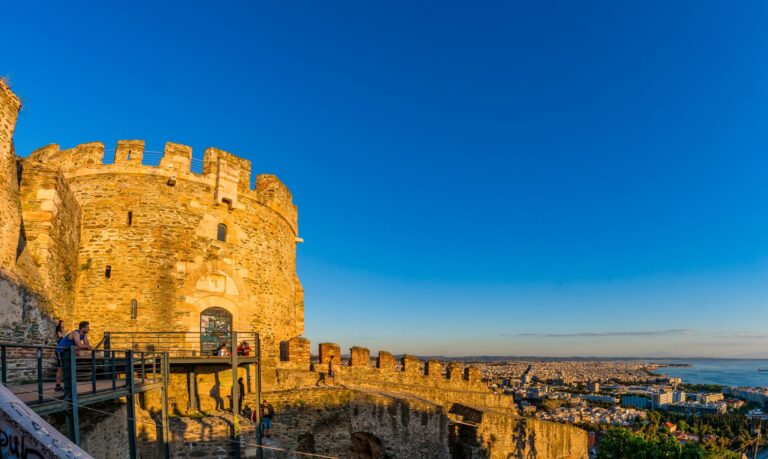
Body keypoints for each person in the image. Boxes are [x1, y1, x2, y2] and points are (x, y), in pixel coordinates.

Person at [54, 321, 92, 392]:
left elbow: (87, 346)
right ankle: (58, 386)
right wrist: (84, 347)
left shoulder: (84, 335)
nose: (89, 329)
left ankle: (67, 386)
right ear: (82, 328)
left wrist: (86, 346)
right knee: (61, 368)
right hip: (61, 351)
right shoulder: (76, 333)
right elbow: (80, 345)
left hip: (68, 352)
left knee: (67, 368)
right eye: (87, 327)